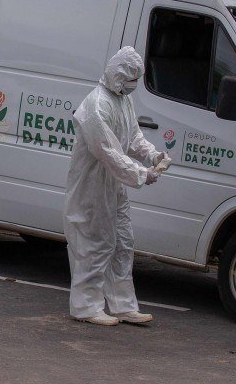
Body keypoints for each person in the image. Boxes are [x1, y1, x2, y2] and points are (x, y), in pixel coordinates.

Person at [63, 46, 169, 326]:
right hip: (92, 185)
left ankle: (123, 305)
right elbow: (107, 152)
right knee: (95, 243)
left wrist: (152, 155)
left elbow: (132, 137)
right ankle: (86, 306)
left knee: (122, 242)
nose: (134, 84)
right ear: (119, 74)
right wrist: (141, 174)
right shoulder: (96, 106)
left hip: (113, 183)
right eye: (132, 79)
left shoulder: (122, 100)